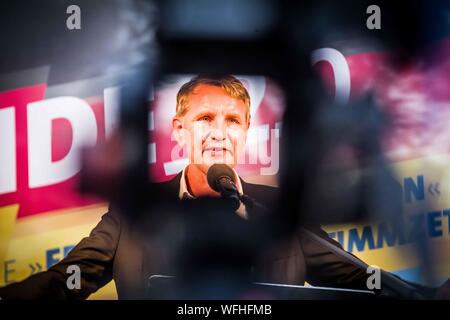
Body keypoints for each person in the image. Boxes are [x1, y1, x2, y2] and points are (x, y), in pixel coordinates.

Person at [0, 75, 445, 299]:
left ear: (247, 130)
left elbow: (357, 276)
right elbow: (62, 283)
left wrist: (428, 296)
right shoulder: (136, 209)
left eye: (232, 121)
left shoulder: (278, 208)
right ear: (178, 129)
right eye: (204, 119)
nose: (218, 132)